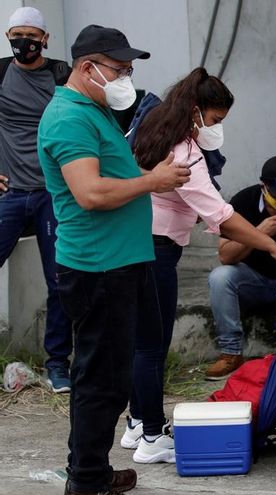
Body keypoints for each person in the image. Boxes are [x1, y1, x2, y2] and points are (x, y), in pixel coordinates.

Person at [37, 25, 191, 495]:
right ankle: (86, 480)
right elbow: (90, 192)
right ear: (88, 68)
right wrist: (154, 181)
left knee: (110, 373)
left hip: (122, 262)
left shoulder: (95, 109)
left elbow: (113, 172)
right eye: (119, 68)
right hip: (99, 268)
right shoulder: (69, 118)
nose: (127, 77)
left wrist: (148, 175)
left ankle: (93, 470)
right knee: (100, 379)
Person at [119, 69, 276, 463]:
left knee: (141, 343)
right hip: (155, 251)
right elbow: (220, 215)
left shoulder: (154, 131)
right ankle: (151, 436)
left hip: (139, 244)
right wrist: (270, 244)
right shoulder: (183, 151)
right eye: (216, 121)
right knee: (152, 345)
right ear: (196, 113)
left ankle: (136, 423)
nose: (217, 130)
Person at [0, 6, 73, 393]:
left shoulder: (62, 76)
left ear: (45, 39)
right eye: (15, 36)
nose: (22, 43)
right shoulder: (0, 73)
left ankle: (57, 363)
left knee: (60, 278)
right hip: (11, 194)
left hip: (53, 195)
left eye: (30, 36)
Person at [206, 156, 276, 380]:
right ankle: (231, 352)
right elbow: (225, 256)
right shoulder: (242, 202)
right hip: (254, 280)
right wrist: (259, 233)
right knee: (221, 277)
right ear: (263, 187)